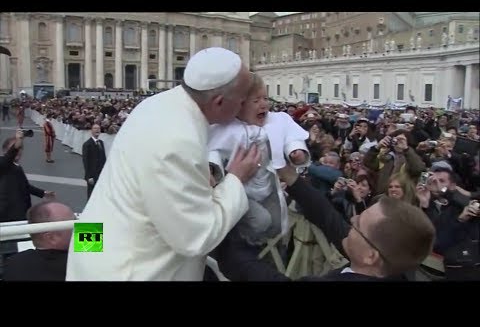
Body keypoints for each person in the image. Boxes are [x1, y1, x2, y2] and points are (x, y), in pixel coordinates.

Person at [66, 47, 260, 281]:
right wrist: (236, 180)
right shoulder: (178, 139)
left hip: (94, 243)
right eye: (242, 100)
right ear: (219, 102)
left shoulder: (157, 104)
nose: (244, 105)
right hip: (124, 269)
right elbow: (196, 237)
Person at [217, 164, 435, 281]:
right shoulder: (386, 264)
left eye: (358, 224)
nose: (352, 218)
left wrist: (221, 214)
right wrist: (292, 178)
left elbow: (252, 272)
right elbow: (328, 219)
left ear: (371, 256)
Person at [208, 73, 309, 246]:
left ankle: (264, 246)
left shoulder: (278, 120)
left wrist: (297, 151)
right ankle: (241, 242)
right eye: (255, 101)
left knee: (277, 223)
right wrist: (212, 169)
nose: (263, 104)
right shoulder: (225, 129)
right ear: (238, 106)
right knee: (261, 221)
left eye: (265, 98)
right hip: (241, 190)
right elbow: (213, 151)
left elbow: (291, 136)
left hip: (268, 187)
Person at [3, 201, 76, 281]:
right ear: (51, 237)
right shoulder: (75, 263)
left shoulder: (15, 263)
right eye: (73, 222)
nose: (80, 228)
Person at [0, 130, 55, 223]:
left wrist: (43, 193)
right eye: (16, 148)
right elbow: (8, 158)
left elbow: (25, 186)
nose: (19, 151)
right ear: (5, 150)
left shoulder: (17, 166)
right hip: (8, 215)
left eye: (21, 148)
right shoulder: (2, 164)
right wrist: (18, 142)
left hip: (22, 212)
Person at [81, 124, 106, 199]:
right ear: (91, 131)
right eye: (95, 128)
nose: (97, 130)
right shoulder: (87, 144)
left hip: (101, 174)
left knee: (100, 194)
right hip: (92, 175)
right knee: (91, 194)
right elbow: (85, 162)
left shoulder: (101, 142)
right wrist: (89, 176)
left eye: (98, 128)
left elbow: (103, 158)